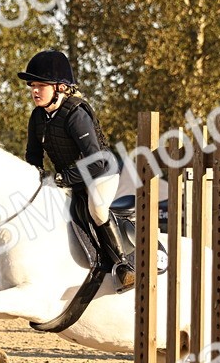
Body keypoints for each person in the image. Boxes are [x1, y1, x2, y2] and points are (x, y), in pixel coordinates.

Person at [19, 49, 135, 291]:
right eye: (32, 85)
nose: (34, 91)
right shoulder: (37, 117)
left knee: (97, 209)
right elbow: (33, 156)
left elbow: (97, 162)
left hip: (101, 174)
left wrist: (61, 178)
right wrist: (34, 180)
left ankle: (124, 265)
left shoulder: (76, 114)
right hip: (71, 178)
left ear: (60, 88)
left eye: (41, 85)